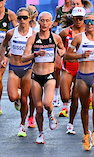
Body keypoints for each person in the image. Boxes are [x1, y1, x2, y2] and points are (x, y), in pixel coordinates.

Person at [65, 12, 94, 150]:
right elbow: (67, 56)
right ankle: (86, 133)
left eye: (92, 21)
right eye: (87, 21)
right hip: (82, 76)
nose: (90, 24)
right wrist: (81, 55)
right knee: (85, 107)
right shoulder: (78, 38)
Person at [22, 12, 66, 144]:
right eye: (42, 20)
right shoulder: (32, 38)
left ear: (51, 23)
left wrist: (60, 52)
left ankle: (51, 113)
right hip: (35, 76)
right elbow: (24, 58)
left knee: (47, 103)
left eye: (47, 21)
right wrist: (35, 54)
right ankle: (41, 132)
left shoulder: (56, 38)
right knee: (39, 108)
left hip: (50, 75)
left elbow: (63, 49)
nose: (45, 23)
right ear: (38, 22)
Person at [0, 8, 35, 137]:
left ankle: (22, 124)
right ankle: (18, 96)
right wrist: (3, 58)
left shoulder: (34, 34)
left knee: (25, 99)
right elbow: (3, 45)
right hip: (14, 68)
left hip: (28, 69)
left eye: (25, 18)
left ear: (30, 19)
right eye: (20, 18)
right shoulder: (11, 33)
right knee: (12, 97)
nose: (22, 20)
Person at [58, 7, 86, 134]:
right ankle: (66, 106)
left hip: (81, 68)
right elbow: (56, 42)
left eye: (81, 18)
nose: (79, 21)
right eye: (76, 18)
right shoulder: (65, 32)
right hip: (67, 67)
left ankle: (71, 123)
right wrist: (59, 52)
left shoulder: (88, 32)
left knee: (75, 97)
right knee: (65, 96)